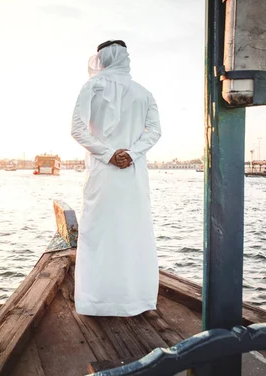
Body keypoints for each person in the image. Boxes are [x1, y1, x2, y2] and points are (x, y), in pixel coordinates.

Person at [71, 40, 161, 317]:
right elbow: (154, 132)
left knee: (98, 233)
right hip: (132, 174)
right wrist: (130, 154)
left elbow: (77, 130)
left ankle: (95, 301)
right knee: (134, 232)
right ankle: (137, 300)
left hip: (103, 172)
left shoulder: (91, 87)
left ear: (102, 59)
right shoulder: (144, 93)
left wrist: (110, 154)